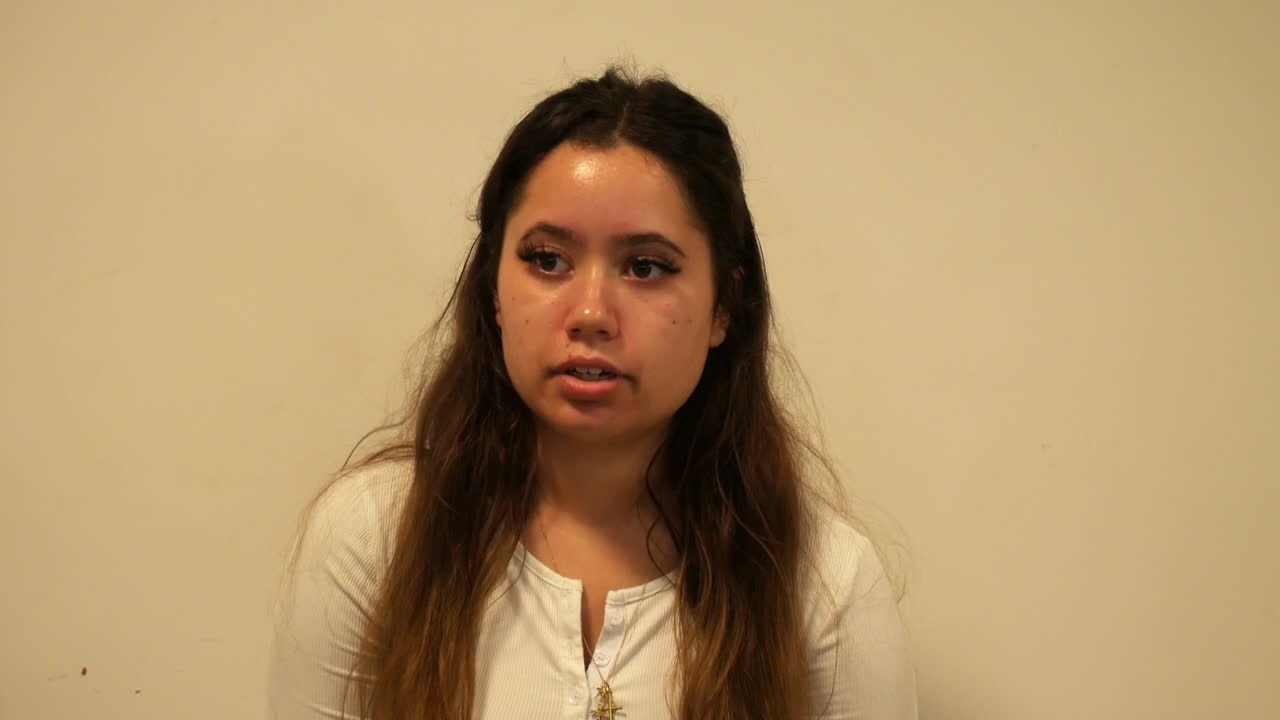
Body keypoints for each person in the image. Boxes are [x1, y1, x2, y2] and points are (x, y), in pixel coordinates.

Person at [267, 65, 918, 720]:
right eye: (548, 260)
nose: (590, 314)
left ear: (725, 305)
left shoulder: (826, 583)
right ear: (493, 289)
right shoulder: (375, 536)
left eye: (646, 267)